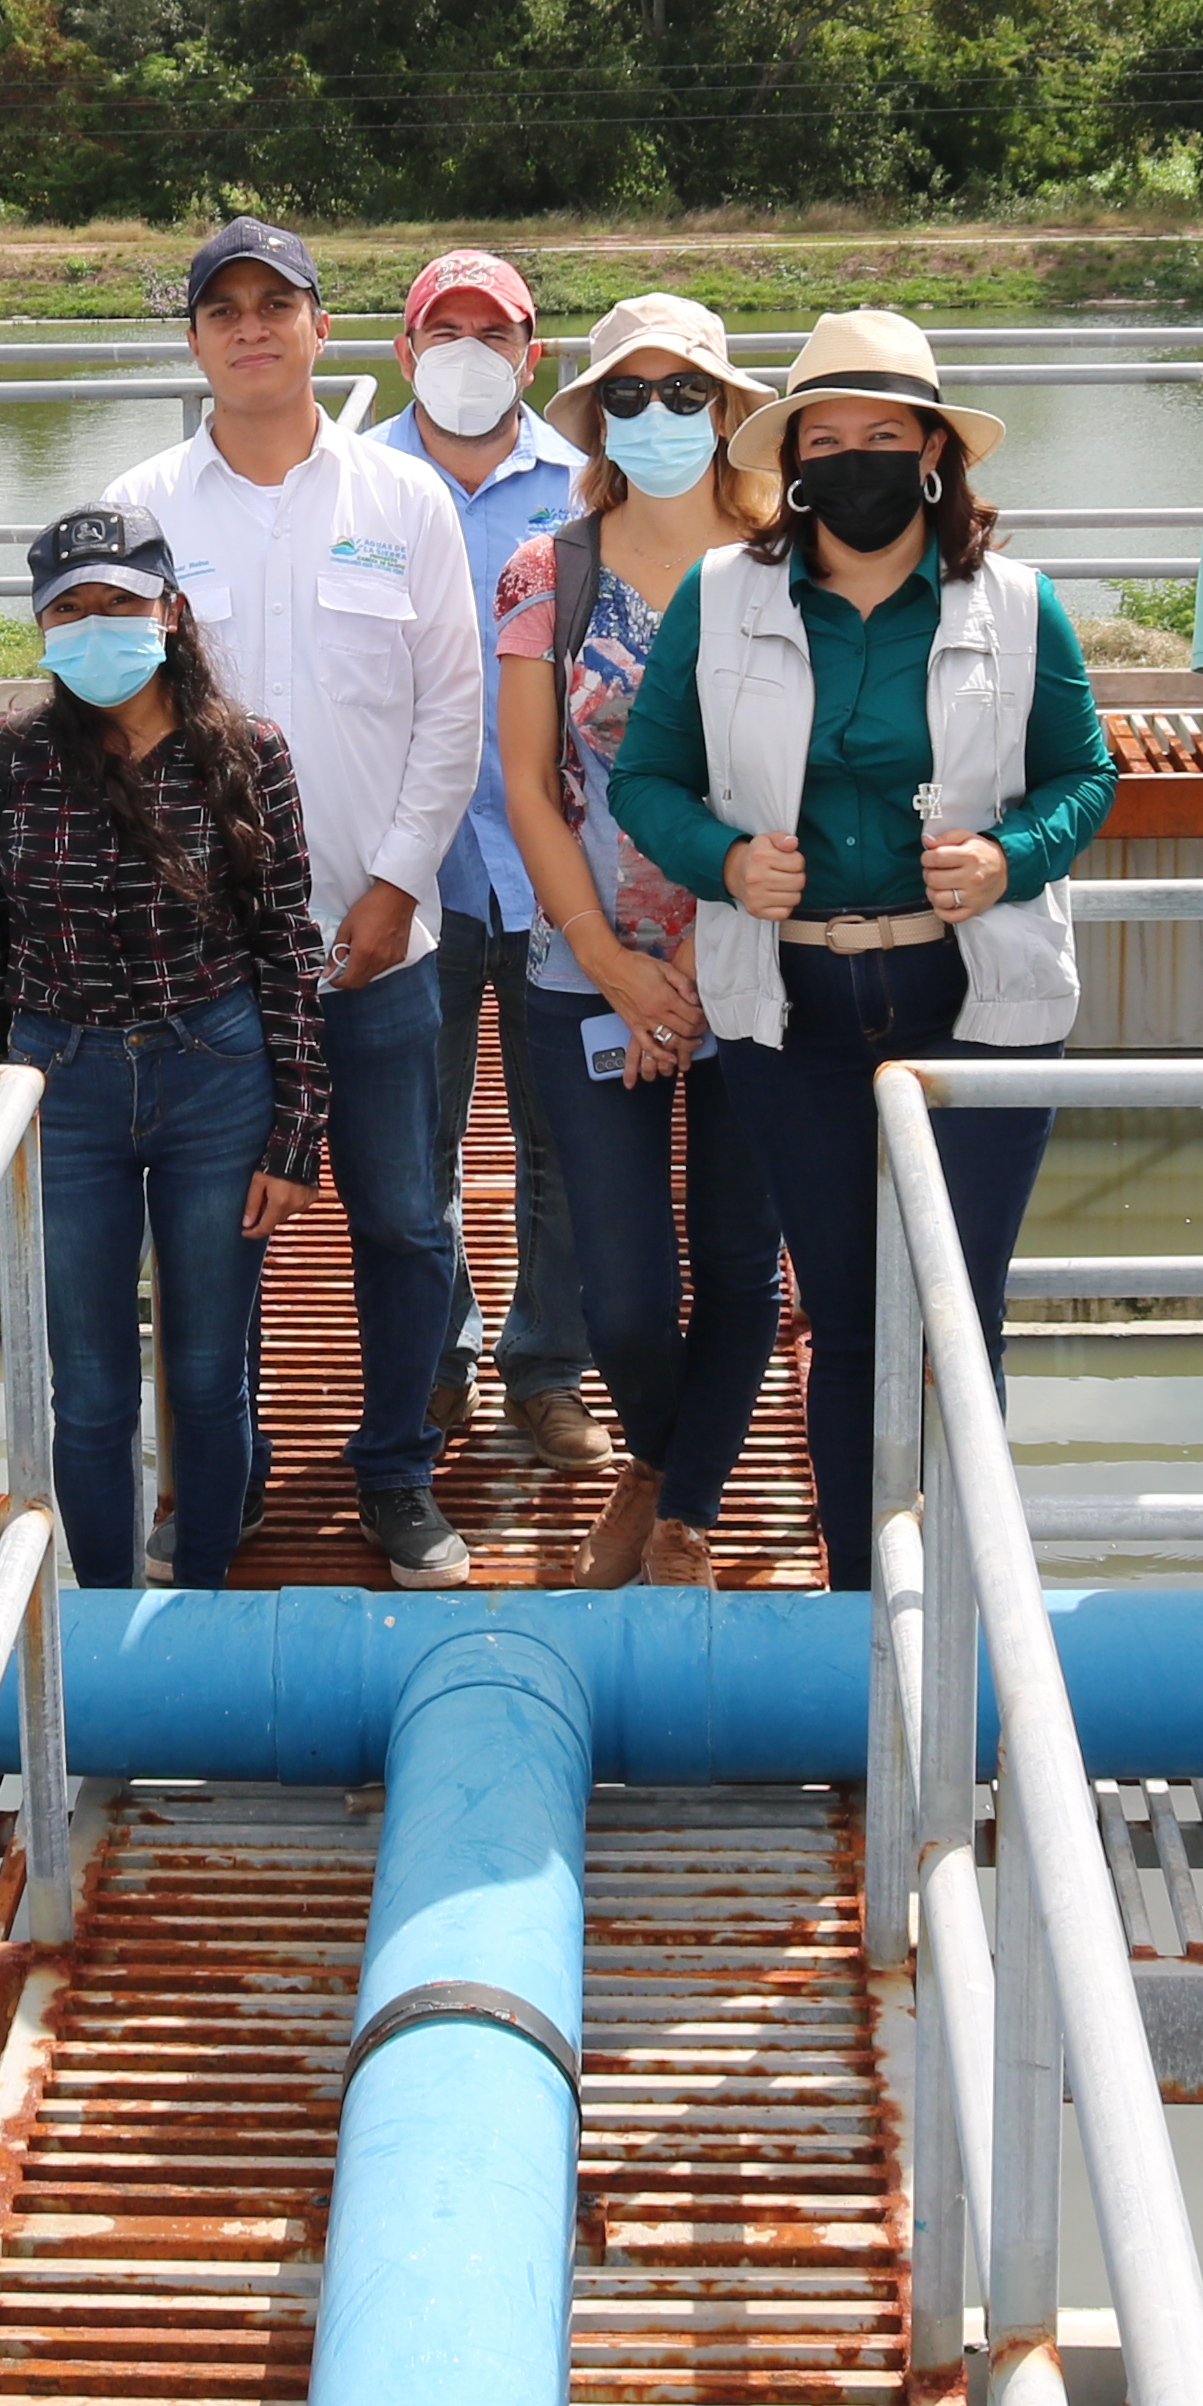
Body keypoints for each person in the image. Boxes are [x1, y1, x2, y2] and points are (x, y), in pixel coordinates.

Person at [610, 312, 1114, 1584]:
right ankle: (863, 1606)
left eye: (882, 436)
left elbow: (1081, 777)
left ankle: (965, 1594)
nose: (853, 461)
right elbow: (646, 779)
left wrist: (1011, 857)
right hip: (794, 1006)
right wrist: (724, 862)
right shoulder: (723, 598)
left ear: (934, 450)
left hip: (973, 997)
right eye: (822, 439)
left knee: (957, 1318)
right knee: (844, 1319)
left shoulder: (1019, 599)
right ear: (787, 461)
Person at [108, 218, 490, 1588]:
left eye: (281, 304)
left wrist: (395, 884)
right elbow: (108, 710)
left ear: (325, 329)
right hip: (202, 966)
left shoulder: (402, 504)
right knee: (218, 1239)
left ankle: (396, 1470)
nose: (254, 328)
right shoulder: (142, 505)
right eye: (226, 309)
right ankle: (225, 1472)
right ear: (196, 339)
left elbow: (456, 709)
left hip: (376, 947)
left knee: (402, 1215)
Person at [0, 505, 328, 1589]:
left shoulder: (247, 752)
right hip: (58, 1088)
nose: (96, 626)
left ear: (170, 612)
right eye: (70, 607)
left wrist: (297, 1127)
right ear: (40, 625)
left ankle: (201, 1593)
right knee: (92, 1387)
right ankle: (105, 1623)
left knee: (207, 1373)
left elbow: (288, 941)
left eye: (119, 602)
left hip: (216, 1073)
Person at [488, 293, 786, 1585]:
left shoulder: (797, 554)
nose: (659, 418)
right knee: (617, 1280)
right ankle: (662, 1463)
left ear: (726, 411)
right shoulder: (546, 575)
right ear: (596, 415)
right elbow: (524, 781)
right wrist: (611, 962)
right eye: (629, 395)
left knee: (738, 1263)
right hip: (584, 978)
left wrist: (709, 966)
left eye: (685, 394)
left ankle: (675, 1500)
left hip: (760, 971)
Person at [381, 245, 605, 1473]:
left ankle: (546, 1367)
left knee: (560, 1136)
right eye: (444, 328)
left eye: (495, 329)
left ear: (535, 352)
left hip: (555, 869)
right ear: (406, 351)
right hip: (409, 876)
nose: (470, 349)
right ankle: (438, 1358)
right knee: (413, 1138)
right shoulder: (359, 487)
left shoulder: (588, 489)